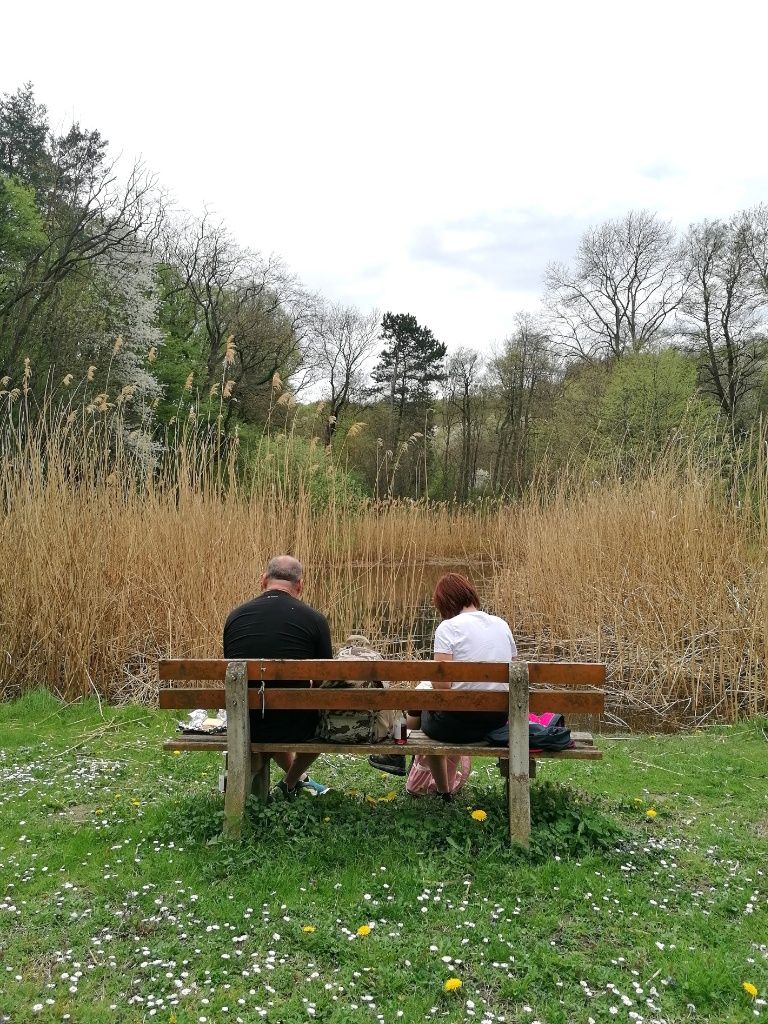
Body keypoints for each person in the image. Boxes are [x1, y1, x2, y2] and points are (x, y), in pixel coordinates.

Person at [369, 572, 517, 799]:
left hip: (455, 727)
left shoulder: (448, 628)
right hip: (496, 722)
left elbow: (442, 687)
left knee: (423, 702)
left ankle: (427, 778)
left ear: (445, 603)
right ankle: (414, 768)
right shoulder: (502, 625)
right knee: (426, 700)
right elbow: (512, 673)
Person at [223, 555, 331, 797]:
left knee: (271, 706)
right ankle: (291, 782)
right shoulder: (314, 619)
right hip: (295, 726)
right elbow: (325, 680)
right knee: (315, 714)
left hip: (245, 723)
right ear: (299, 585)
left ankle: (297, 779)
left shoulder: (235, 617)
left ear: (263, 581)